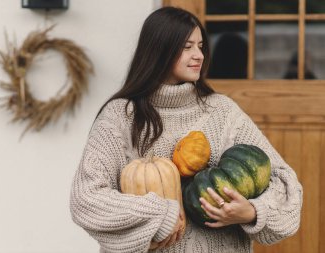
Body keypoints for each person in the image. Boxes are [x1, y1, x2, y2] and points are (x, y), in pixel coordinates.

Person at [70, 6, 303, 253]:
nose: (199, 55)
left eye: (201, 46)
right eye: (187, 46)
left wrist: (252, 212)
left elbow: (283, 180)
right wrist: (163, 213)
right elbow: (87, 198)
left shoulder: (222, 112)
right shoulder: (121, 117)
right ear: (159, 49)